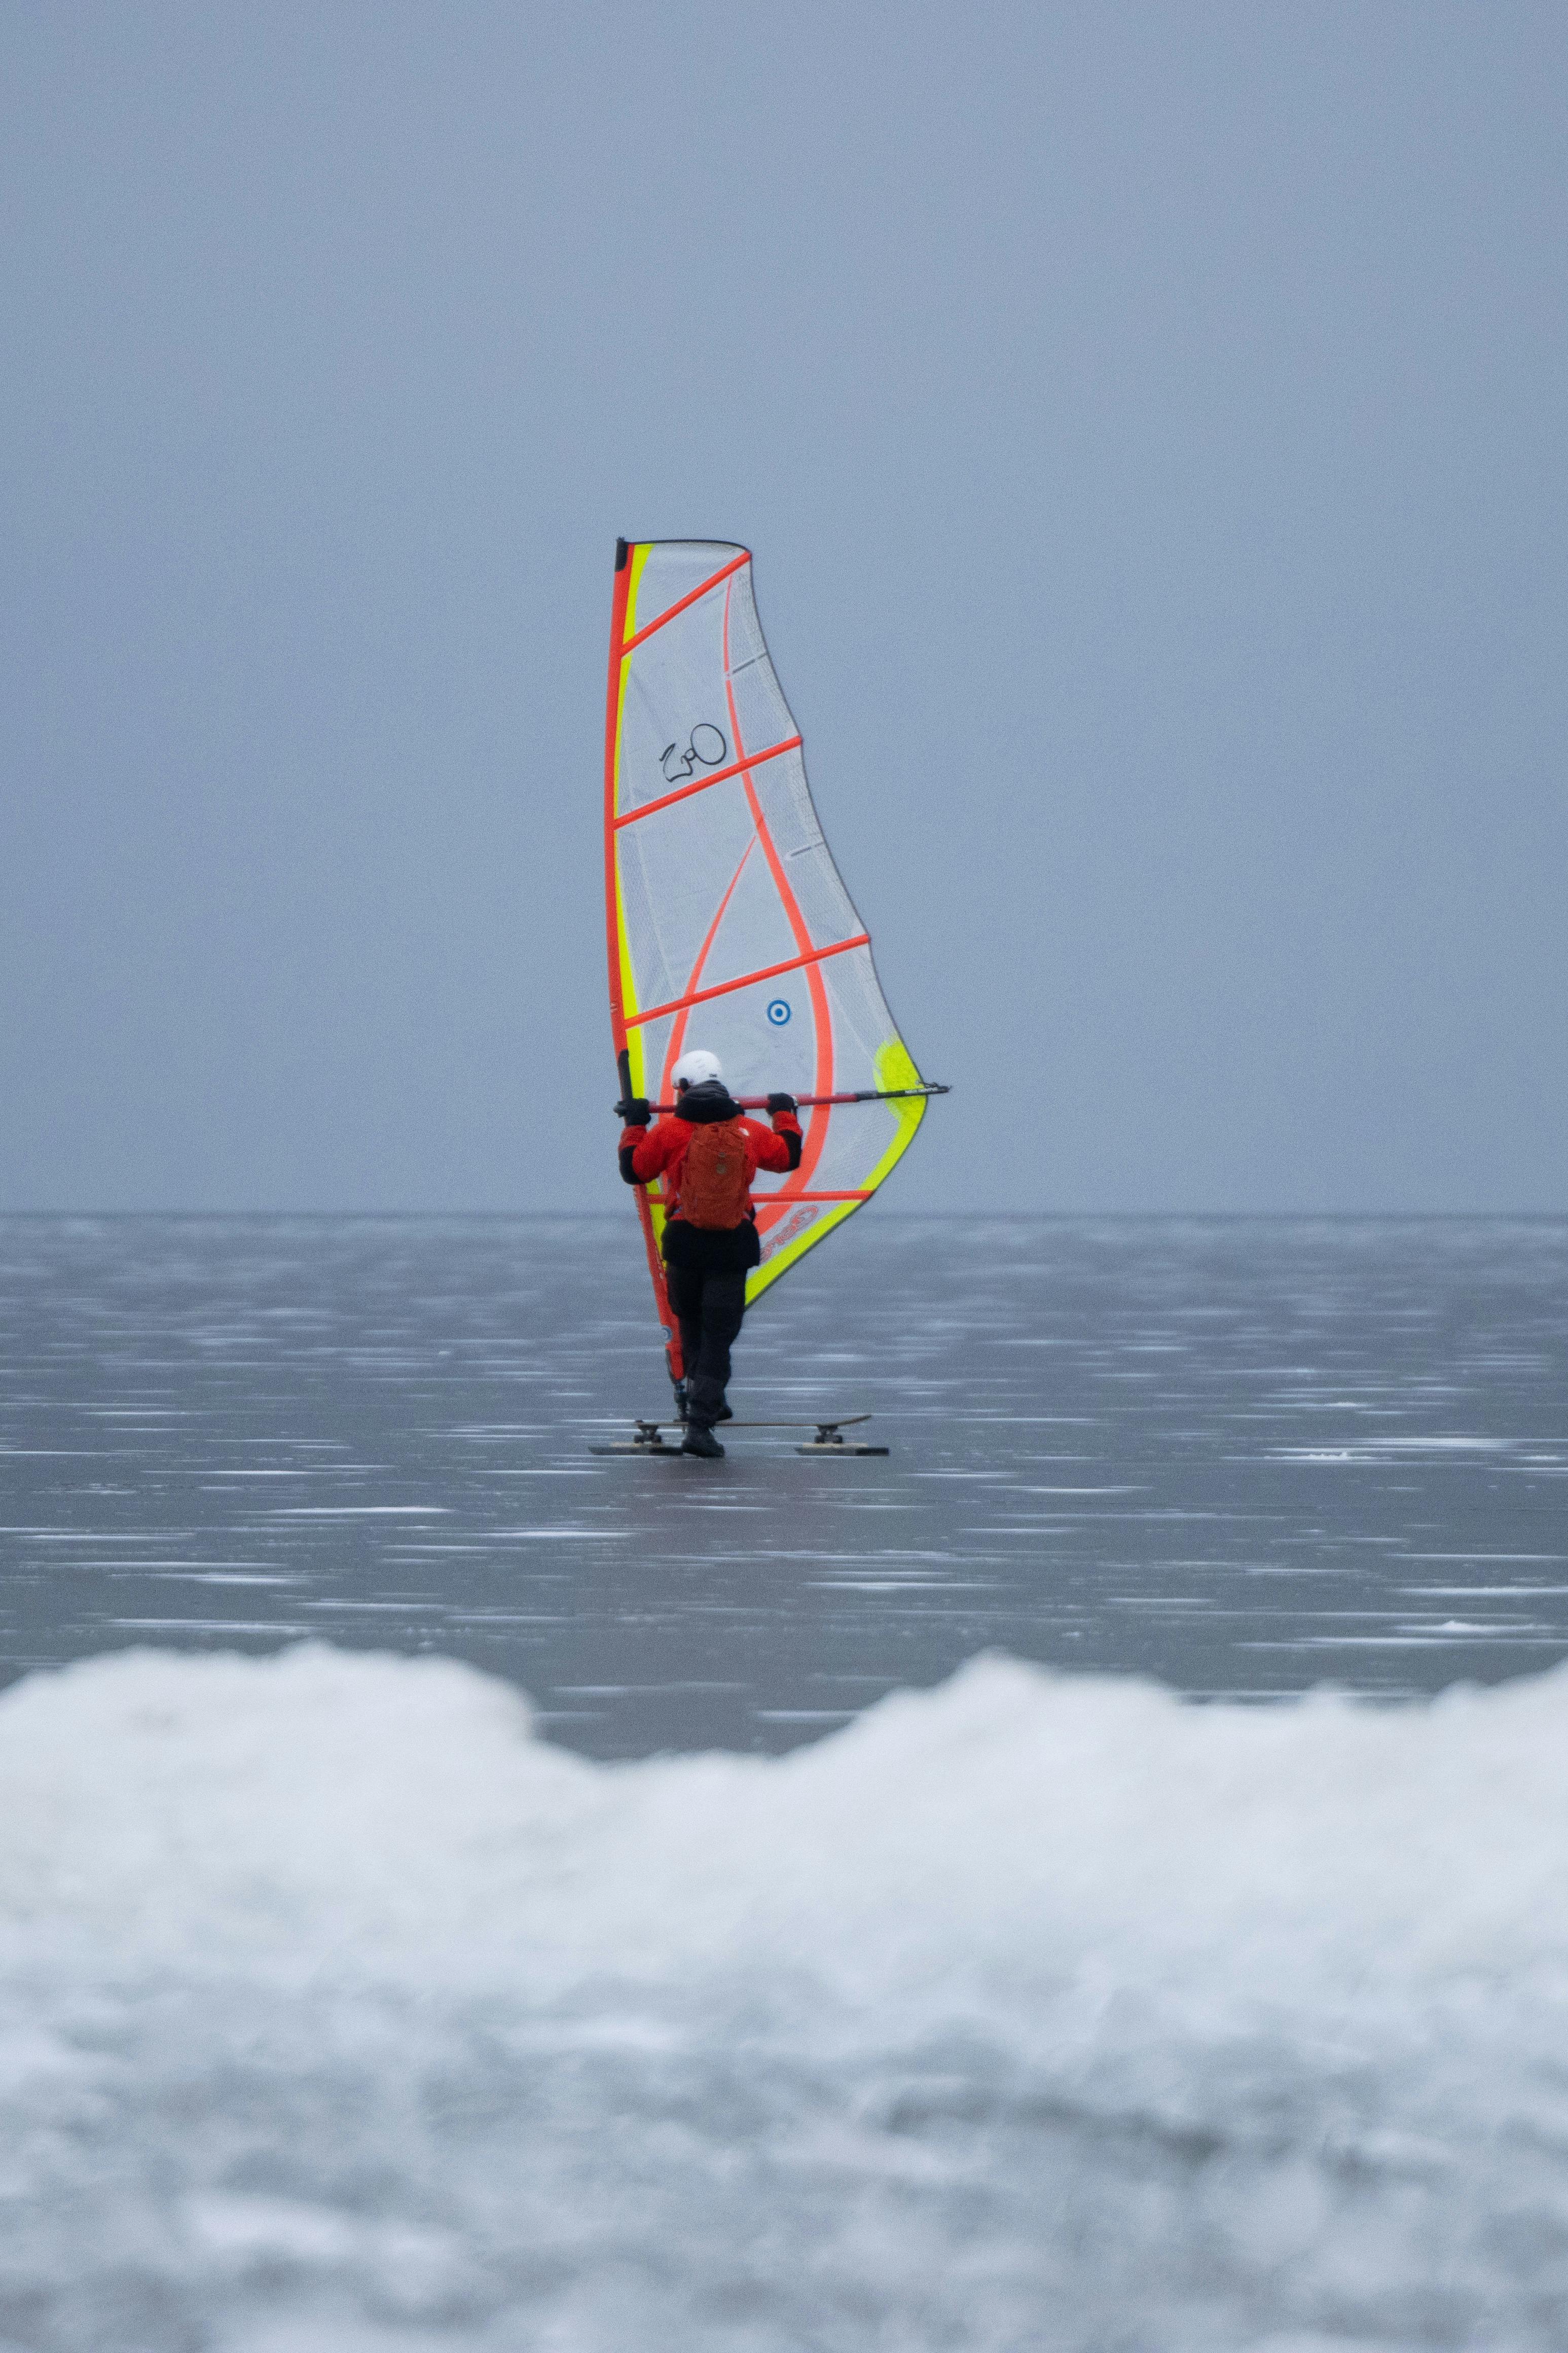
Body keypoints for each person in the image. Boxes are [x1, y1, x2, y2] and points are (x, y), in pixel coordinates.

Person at [617, 1049, 801, 1457]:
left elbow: (635, 1170)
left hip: (684, 1244)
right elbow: (788, 1157)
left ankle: (705, 1406)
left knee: (692, 1326)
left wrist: (635, 1124)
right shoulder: (747, 1129)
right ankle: (703, 1418)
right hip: (732, 1246)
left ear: (683, 1089)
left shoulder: (670, 1132)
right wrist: (784, 1113)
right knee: (718, 1337)